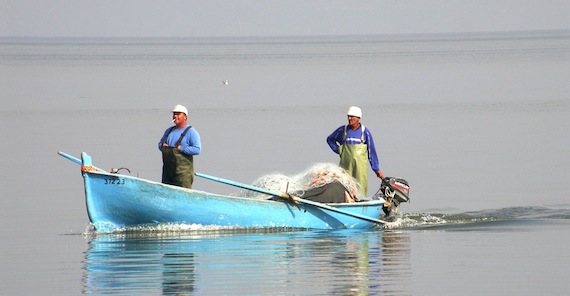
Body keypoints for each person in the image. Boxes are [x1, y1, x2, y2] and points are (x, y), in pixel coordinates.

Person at [326, 106, 384, 196]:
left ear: (358, 118)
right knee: (344, 186)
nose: (349, 118)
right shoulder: (343, 130)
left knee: (360, 188)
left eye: (352, 116)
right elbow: (330, 140)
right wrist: (339, 150)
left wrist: (376, 169)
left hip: (360, 169)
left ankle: (360, 204)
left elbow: (371, 151)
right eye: (348, 116)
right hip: (346, 168)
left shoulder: (365, 132)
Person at [158, 104, 201, 189]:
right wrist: (163, 146)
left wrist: (182, 149)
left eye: (178, 114)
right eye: (174, 114)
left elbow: (197, 149)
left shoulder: (191, 132)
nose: (175, 116)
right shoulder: (169, 131)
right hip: (168, 172)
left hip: (183, 175)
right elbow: (159, 145)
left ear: (185, 117)